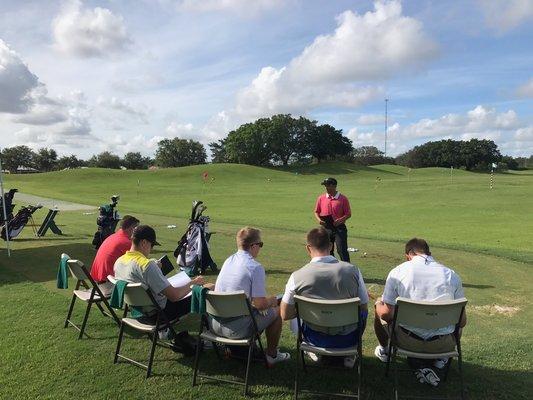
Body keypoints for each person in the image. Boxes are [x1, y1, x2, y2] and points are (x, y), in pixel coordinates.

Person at [373, 238, 467, 384]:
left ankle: (385, 350)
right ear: (429, 253)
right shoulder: (452, 275)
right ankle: (441, 358)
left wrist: (379, 304)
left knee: (379, 307)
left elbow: (386, 314)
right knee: (457, 326)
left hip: (407, 342)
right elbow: (462, 321)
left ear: (408, 254)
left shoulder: (398, 271)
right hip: (444, 344)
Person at [114, 225, 210, 355]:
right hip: (159, 315)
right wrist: (193, 283)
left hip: (138, 312)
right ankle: (212, 336)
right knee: (203, 293)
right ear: (144, 243)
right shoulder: (146, 265)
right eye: (151, 245)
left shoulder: (119, 262)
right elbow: (174, 296)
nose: (151, 249)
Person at [280, 227, 368, 368]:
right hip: (348, 338)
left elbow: (285, 314)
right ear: (331, 246)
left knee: (296, 314)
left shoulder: (297, 276)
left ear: (308, 248)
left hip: (314, 337)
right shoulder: (353, 271)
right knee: (363, 311)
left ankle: (315, 351)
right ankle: (349, 354)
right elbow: (363, 307)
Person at [211, 227, 290, 366]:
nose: (260, 248)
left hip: (215, 325)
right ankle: (272, 355)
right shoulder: (254, 267)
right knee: (278, 311)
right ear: (253, 246)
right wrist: (272, 300)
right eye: (260, 245)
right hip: (236, 329)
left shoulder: (228, 260)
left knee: (257, 310)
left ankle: (241, 349)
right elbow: (259, 304)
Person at [90, 215, 139, 296]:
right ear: (132, 229)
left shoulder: (113, 237)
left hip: (98, 283)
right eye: (137, 229)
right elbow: (139, 265)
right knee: (144, 286)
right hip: (107, 285)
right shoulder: (126, 242)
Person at [314, 177, 352, 262]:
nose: (326, 187)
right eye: (325, 186)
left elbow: (348, 214)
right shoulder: (321, 198)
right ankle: (331, 269)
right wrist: (319, 220)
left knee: (341, 250)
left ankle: (347, 270)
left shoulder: (343, 198)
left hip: (339, 228)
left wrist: (340, 220)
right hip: (326, 228)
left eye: (328, 185)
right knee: (328, 251)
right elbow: (316, 211)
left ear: (334, 186)